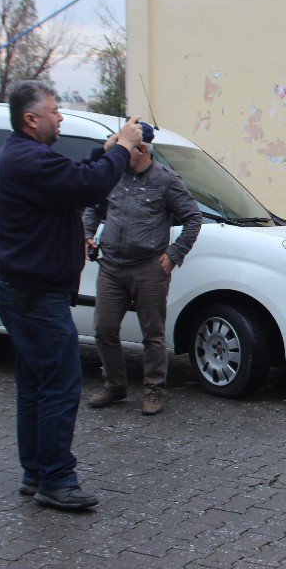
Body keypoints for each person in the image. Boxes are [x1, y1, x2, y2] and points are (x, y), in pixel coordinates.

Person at [0, 81, 143, 510]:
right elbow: (88, 187)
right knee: (59, 384)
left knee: (36, 385)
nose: (61, 116)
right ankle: (56, 480)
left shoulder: (25, 156)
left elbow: (73, 179)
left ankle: (36, 472)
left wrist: (108, 150)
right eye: (54, 111)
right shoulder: (28, 159)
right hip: (35, 296)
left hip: (23, 291)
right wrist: (121, 149)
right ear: (30, 119)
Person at [83, 122, 201, 416]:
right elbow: (93, 205)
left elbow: (193, 219)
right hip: (111, 266)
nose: (122, 151)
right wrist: (87, 233)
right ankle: (114, 386)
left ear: (143, 149)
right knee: (103, 328)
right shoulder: (113, 174)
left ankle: (153, 390)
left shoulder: (166, 180)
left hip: (148, 267)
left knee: (152, 333)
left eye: (128, 146)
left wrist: (174, 255)